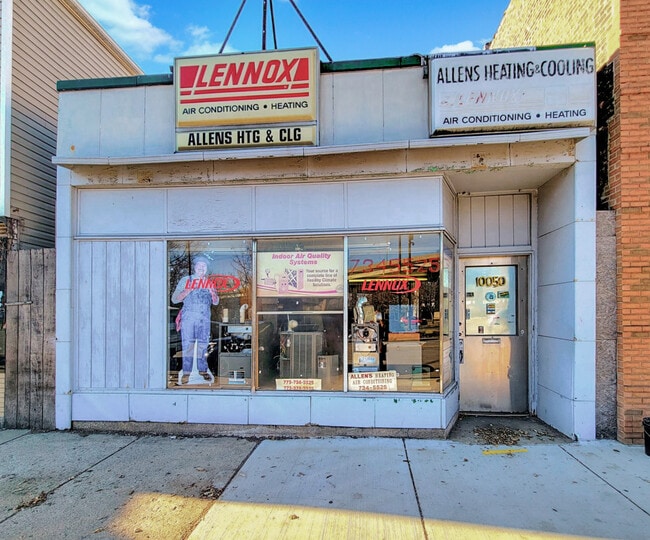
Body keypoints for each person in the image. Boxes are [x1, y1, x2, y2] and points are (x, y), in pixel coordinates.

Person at [171, 255, 219, 378]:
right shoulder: (185, 280)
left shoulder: (209, 282)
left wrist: (212, 292)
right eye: (199, 265)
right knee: (187, 345)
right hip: (189, 318)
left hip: (204, 319)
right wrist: (188, 290)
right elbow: (174, 299)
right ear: (195, 267)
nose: (201, 267)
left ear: (206, 268)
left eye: (204, 265)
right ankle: (186, 372)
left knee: (203, 345)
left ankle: (202, 370)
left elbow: (215, 302)